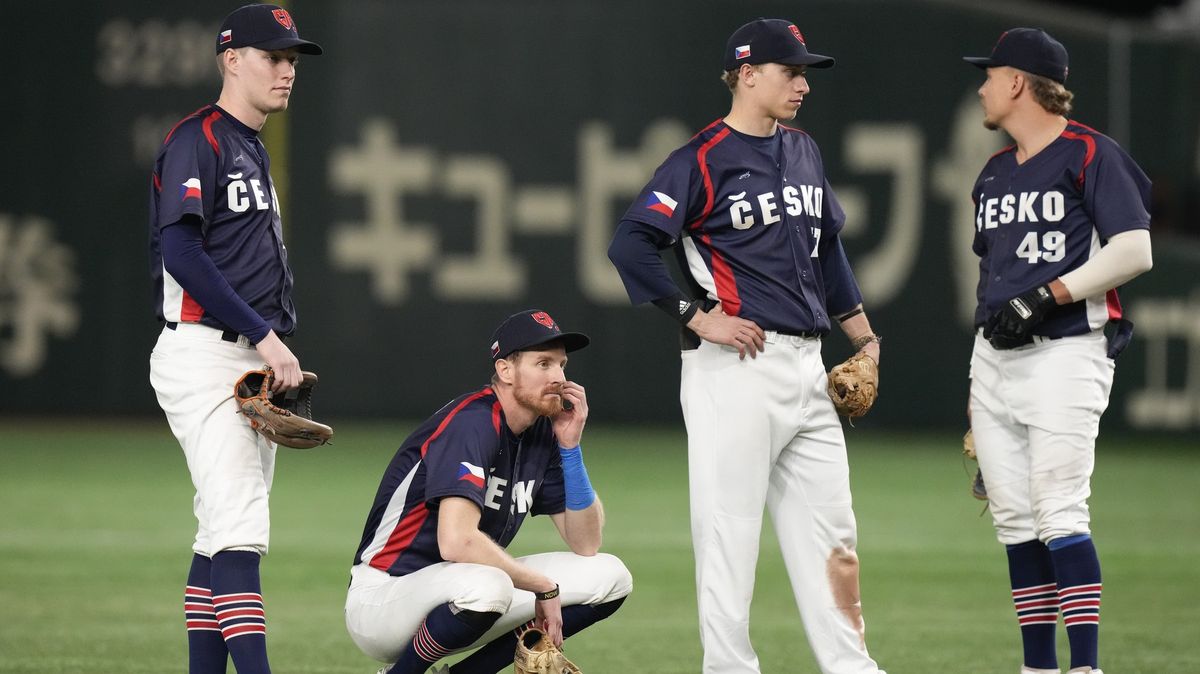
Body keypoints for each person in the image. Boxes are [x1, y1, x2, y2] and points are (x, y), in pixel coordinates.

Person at [607, 18, 886, 674]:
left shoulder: (804, 151)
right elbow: (630, 243)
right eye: (790, 71)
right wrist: (696, 314)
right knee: (728, 538)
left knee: (835, 536)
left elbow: (829, 252)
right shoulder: (700, 159)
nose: (802, 84)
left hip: (808, 367)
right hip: (735, 370)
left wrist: (864, 336)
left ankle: (852, 668)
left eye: (804, 72)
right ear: (748, 73)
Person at [962, 28, 1153, 674]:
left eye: (990, 75)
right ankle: (1038, 667)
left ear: (1018, 83)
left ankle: (1087, 667)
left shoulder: (1090, 154)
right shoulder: (991, 173)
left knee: (1058, 509)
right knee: (1014, 520)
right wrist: (978, 401)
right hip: (994, 360)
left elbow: (1134, 250)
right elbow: (994, 282)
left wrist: (1048, 296)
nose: (982, 86)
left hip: (1067, 351)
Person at [147, 5, 323, 673]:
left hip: (246, 358)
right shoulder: (200, 139)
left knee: (219, 531)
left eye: (292, 59)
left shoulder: (250, 145)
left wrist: (266, 347)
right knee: (243, 531)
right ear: (231, 60)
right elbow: (183, 255)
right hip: (204, 352)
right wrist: (266, 337)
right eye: (273, 56)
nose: (287, 70)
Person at [345, 310, 632, 674]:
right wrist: (543, 587)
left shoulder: (543, 433)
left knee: (610, 576)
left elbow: (586, 543)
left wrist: (571, 448)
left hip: (459, 588)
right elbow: (458, 543)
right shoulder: (473, 422)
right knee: (489, 583)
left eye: (562, 365)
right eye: (543, 363)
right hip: (384, 597)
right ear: (505, 371)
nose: (559, 377)